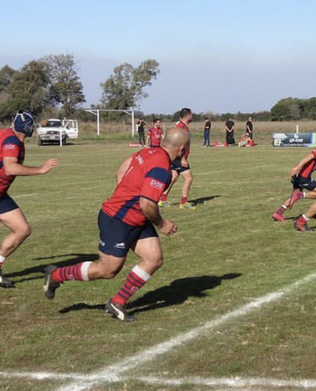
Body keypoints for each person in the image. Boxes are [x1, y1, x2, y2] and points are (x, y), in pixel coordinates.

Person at [42, 127, 189, 322]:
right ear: (182, 150)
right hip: (117, 219)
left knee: (153, 259)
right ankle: (57, 275)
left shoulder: (147, 151)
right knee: (108, 270)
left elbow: (120, 171)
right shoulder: (162, 168)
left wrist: (127, 195)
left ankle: (117, 302)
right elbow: (146, 203)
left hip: (137, 218)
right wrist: (161, 224)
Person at [0, 112, 59, 288]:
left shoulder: (8, 135)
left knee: (22, 229)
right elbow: (10, 168)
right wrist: (40, 169)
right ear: (28, 128)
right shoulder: (12, 141)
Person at [272, 130, 316, 222]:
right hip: (304, 176)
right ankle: (301, 195)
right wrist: (298, 167)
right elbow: (309, 156)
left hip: (299, 175)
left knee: (294, 197)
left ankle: (278, 213)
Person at [160, 108, 195, 209]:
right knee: (188, 178)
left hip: (176, 157)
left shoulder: (181, 126)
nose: (192, 116)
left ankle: (162, 199)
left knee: (174, 176)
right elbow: (181, 144)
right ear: (188, 115)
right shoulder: (181, 128)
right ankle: (184, 203)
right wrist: (183, 158)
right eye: (191, 114)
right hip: (179, 157)